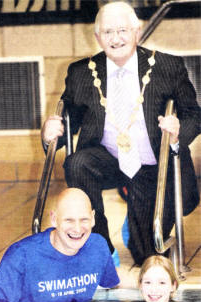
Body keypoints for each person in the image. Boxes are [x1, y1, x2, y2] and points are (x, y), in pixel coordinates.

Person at [41, 1, 200, 267]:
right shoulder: (81, 73)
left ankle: (138, 226)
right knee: (77, 162)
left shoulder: (167, 67)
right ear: (97, 37)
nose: (116, 39)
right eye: (108, 32)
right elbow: (68, 122)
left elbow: (194, 114)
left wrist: (177, 133)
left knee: (147, 255)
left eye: (123, 30)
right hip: (108, 159)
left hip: (152, 165)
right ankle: (99, 243)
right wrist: (50, 134)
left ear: (137, 31)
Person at [0, 188, 120, 302]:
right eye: (69, 220)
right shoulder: (21, 255)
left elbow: (114, 280)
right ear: (54, 219)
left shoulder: (97, 246)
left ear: (93, 218)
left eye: (84, 219)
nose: (77, 229)